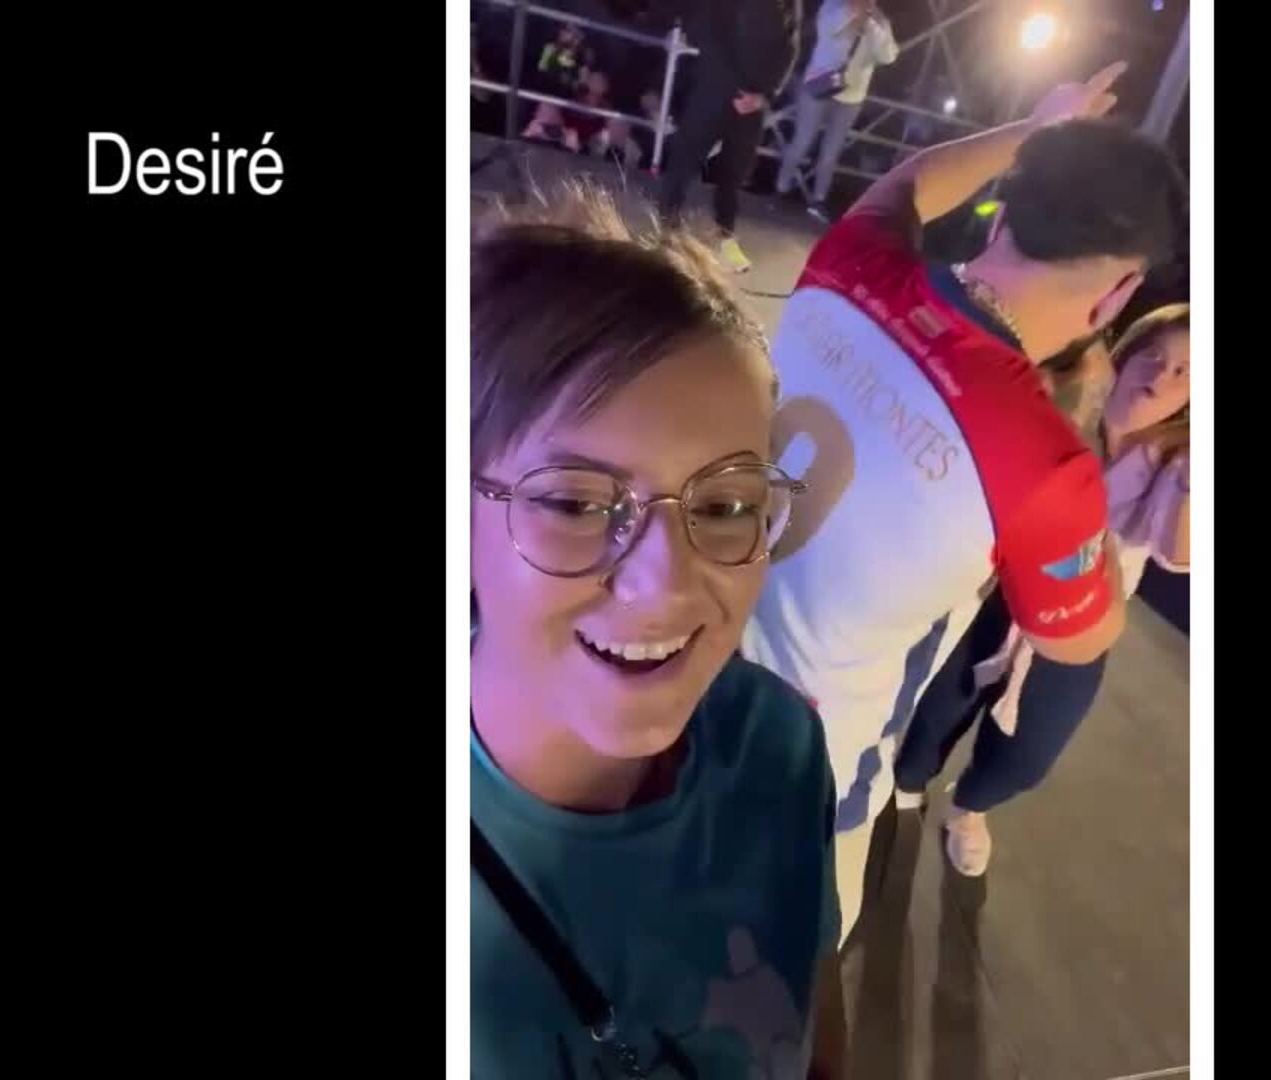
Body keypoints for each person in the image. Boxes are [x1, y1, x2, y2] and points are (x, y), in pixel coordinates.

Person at [738, 62, 1189, 943]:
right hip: (811, 766)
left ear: (1002, 211)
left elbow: (908, 182)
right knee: (787, 967)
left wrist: (1035, 125)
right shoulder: (1046, 462)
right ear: (1119, 292)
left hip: (689, 657)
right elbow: (1081, 639)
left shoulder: (852, 264)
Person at [470, 184, 846, 1079]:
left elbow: (815, 1018)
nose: (665, 583)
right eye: (574, 503)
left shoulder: (776, 742)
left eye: (725, 505)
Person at [894, 305, 1192, 876]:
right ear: (1127, 354)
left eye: (1184, 372)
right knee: (940, 705)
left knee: (1029, 753)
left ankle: (969, 807)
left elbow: (1177, 555)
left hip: (1083, 622)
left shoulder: (1175, 461)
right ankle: (906, 784)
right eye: (1154, 356)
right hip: (1000, 595)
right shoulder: (1071, 406)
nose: (1162, 375)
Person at [656, 0, 802, 274]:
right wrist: (736, 88)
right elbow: (709, 31)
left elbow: (790, 48)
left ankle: (725, 235)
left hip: (754, 103)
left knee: (734, 174)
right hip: (714, 91)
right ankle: (666, 231)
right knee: (685, 162)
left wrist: (765, 95)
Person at [776, 0, 900, 222]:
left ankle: (818, 200)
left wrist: (872, 26)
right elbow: (826, 29)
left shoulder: (880, 20)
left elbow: (888, 56)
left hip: (852, 96)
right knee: (802, 141)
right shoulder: (834, 5)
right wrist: (851, 13)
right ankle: (781, 187)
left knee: (831, 152)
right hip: (820, 84)